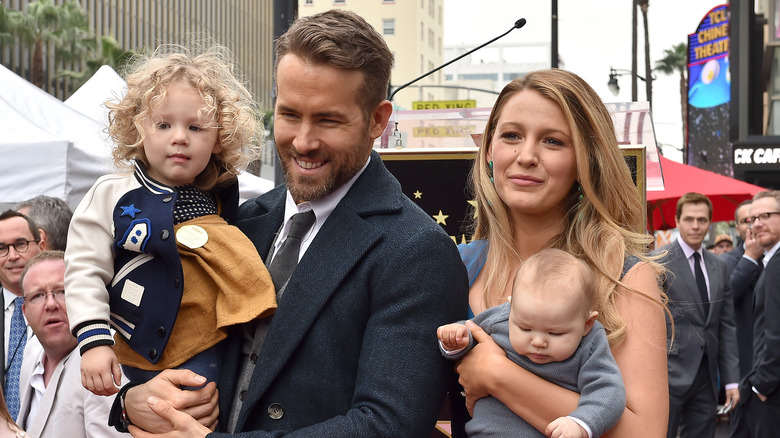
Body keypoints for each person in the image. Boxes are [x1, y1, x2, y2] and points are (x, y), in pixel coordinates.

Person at [113, 9, 468, 437]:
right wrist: (134, 401)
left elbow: (388, 425)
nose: (303, 141)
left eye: (328, 120)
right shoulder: (239, 221)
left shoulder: (417, 250)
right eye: (289, 114)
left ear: (378, 120)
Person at [451, 69, 669, 438]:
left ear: (586, 161)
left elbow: (644, 432)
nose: (526, 155)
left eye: (552, 141)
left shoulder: (623, 274)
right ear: (489, 149)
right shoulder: (454, 266)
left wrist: (497, 375)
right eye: (511, 136)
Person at [63, 44, 277, 397]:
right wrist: (93, 339)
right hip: (140, 345)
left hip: (209, 343)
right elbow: (84, 267)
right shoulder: (113, 193)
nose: (179, 136)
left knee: (205, 412)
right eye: (164, 124)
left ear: (219, 139)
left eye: (195, 127)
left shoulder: (221, 196)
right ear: (137, 131)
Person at [438, 249, 625, 438]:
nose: (538, 342)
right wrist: (455, 338)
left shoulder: (590, 343)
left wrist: (582, 423)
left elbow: (609, 391)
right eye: (525, 329)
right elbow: (469, 332)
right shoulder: (501, 319)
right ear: (511, 308)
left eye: (555, 333)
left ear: (587, 324)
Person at [17, 250, 129, 437]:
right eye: (37, 295)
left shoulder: (104, 356)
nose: (51, 304)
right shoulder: (31, 351)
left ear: (82, 298)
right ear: (25, 311)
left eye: (62, 291)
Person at [657, 192, 740, 438]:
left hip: (706, 377)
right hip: (667, 374)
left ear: (709, 222)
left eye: (702, 220)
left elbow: (726, 326)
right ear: (677, 220)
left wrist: (732, 381)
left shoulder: (719, 265)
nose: (695, 226)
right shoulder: (658, 261)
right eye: (689, 219)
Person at [740, 191, 780, 437]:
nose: (756, 224)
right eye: (752, 219)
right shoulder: (771, 262)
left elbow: (776, 333)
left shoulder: (777, 266)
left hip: (772, 395)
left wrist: (760, 386)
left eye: (766, 215)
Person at [0, 210, 46, 420]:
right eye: (1, 248)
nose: (12, 256)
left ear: (41, 245)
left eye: (20, 244)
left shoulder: (70, 308)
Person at [723, 200, 763, 438]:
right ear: (737, 227)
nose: (752, 225)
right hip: (743, 359)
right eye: (745, 221)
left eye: (756, 219)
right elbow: (729, 296)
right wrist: (749, 257)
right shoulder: (727, 261)